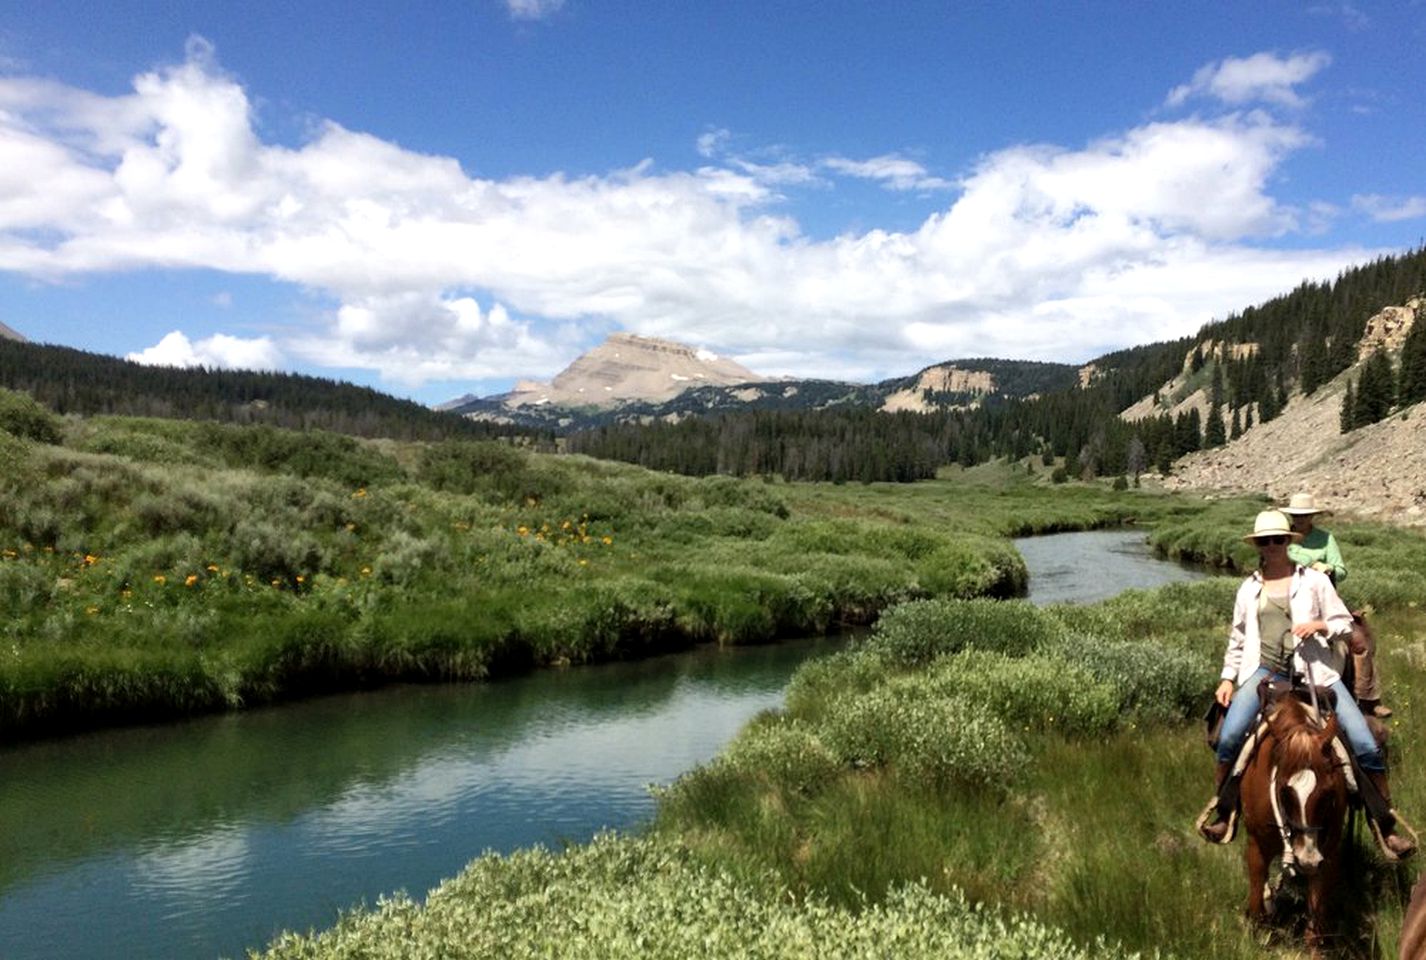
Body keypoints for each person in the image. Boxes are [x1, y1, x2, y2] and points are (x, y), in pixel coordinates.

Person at [1198, 509, 1415, 858]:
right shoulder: (1248, 588)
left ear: (1288, 542)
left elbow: (1346, 625)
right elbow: (1237, 639)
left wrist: (1320, 626)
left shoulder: (1314, 581)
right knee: (1229, 738)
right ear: (1258, 545)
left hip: (1315, 671)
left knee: (1364, 742)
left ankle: (1384, 826)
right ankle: (1226, 813)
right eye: (1265, 541)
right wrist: (1227, 678)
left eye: (1278, 540)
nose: (1272, 546)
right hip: (1264, 674)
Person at [1282, 491, 1391, 718]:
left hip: (1326, 599)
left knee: (1360, 639)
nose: (1299, 520)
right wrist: (1311, 561)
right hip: (1289, 597)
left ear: (1312, 517)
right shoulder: (1283, 538)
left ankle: (1368, 699)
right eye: (1296, 515)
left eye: (1304, 516)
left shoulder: (1325, 538)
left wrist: (1329, 569)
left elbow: (1341, 570)